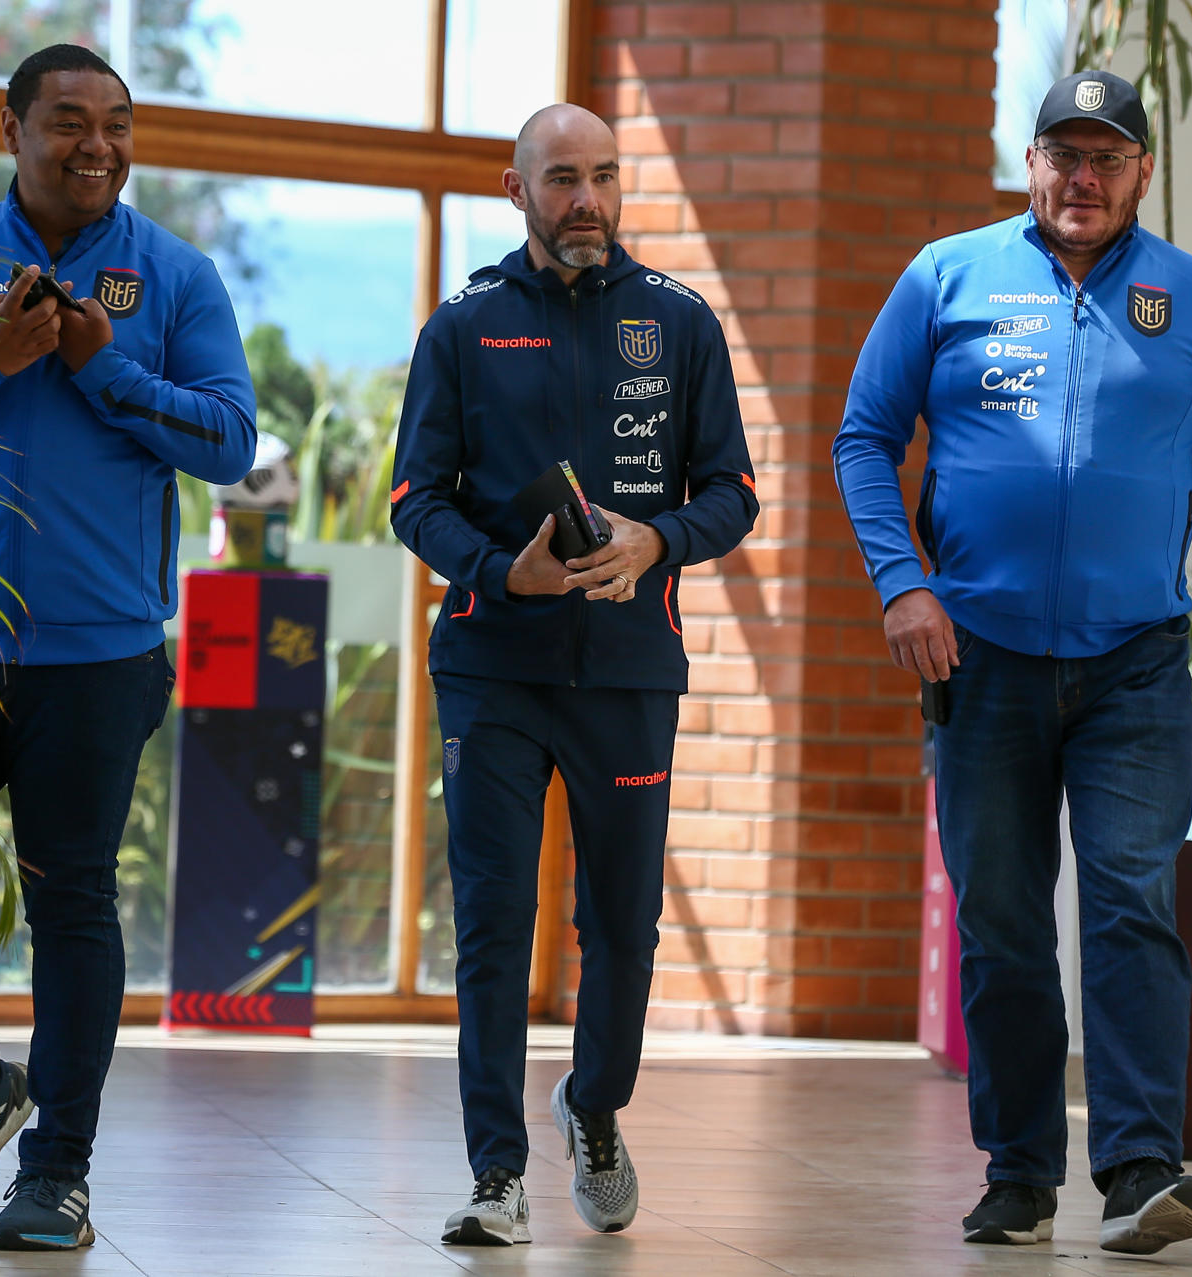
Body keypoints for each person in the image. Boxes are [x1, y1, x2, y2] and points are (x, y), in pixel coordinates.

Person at [833, 70, 1192, 1256]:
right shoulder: (947, 275)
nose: (1084, 179)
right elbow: (863, 438)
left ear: (1142, 174)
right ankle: (1020, 1171)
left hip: (1136, 662)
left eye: (1108, 158)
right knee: (1008, 919)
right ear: (1029, 165)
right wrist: (903, 583)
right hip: (978, 659)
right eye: (1063, 155)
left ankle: (1139, 1169)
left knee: (1131, 904)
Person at [0, 44, 258, 1252]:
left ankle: (57, 1173)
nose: (99, 146)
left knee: (73, 898)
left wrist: (101, 368)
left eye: (117, 125)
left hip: (100, 651)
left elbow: (229, 440)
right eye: (70, 121)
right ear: (12, 128)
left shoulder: (175, 277)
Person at [390, 103, 758, 1246]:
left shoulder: (682, 321)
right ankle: (495, 1173)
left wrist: (658, 541)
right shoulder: (464, 325)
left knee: (625, 924)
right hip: (493, 667)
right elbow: (413, 499)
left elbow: (733, 490)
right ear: (518, 192)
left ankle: (593, 1107)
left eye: (602, 175)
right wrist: (509, 574)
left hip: (631, 674)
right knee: (495, 924)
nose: (585, 199)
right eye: (561, 179)